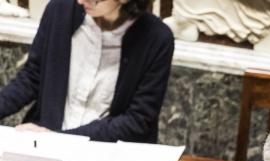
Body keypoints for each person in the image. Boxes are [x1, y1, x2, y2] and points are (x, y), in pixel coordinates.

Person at [0, 0, 174, 143]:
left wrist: (58, 139)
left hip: (107, 153)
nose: (81, 1)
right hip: (45, 144)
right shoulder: (59, 10)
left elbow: (137, 121)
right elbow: (31, 78)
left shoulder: (157, 38)